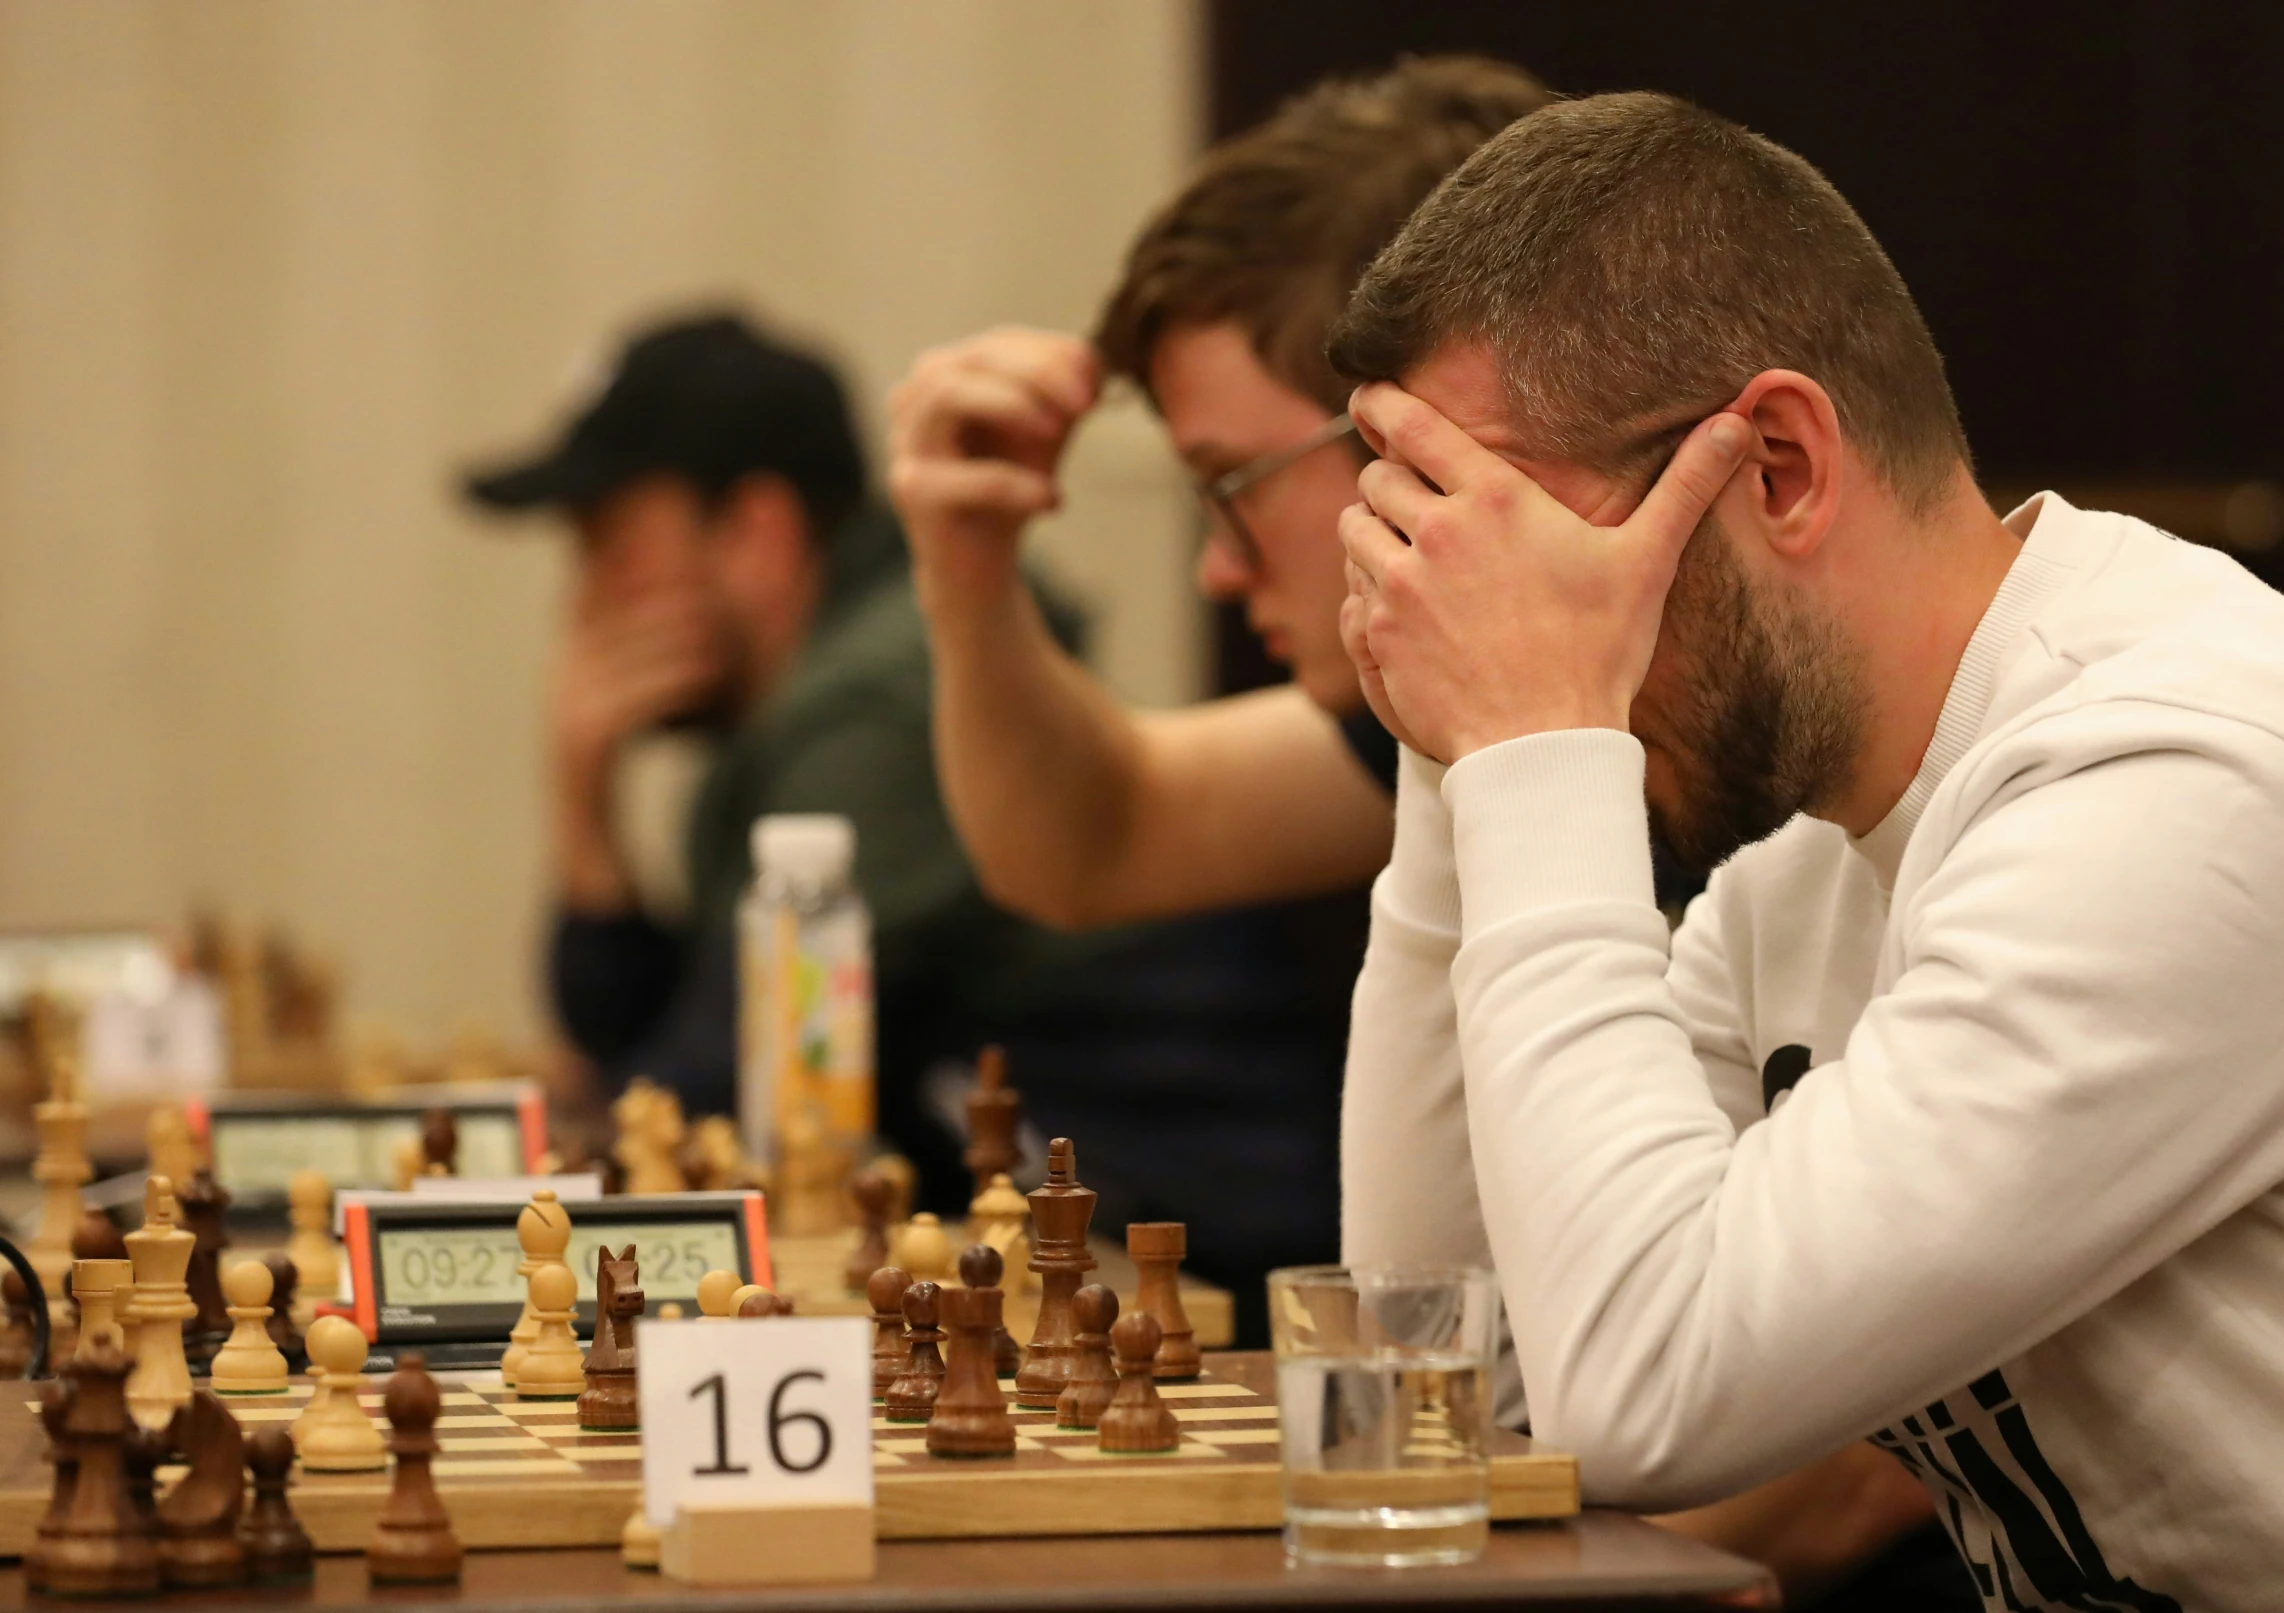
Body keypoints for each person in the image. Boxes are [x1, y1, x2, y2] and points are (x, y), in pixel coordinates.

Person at [894, 57, 1956, 1610]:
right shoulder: (1504, 746)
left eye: (1233, 486)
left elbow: (1855, 1409)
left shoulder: (1767, 711)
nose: (1213, 571)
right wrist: (968, 579)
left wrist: (1523, 1552)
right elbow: (1091, 842)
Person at [1333, 90, 2284, 1611]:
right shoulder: (1801, 880)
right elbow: (1454, 1383)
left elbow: (1649, 1389)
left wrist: (1526, 734)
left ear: (1776, 462)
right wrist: (1450, 753)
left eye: (1513, 546)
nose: (1470, 613)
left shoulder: (2185, 782)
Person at [463, 312, 1346, 1329]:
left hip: (1208, 1274)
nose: (586, 602)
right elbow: (662, 1053)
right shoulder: (809, 710)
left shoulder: (882, 708)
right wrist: (581, 787)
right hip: (1096, 1261)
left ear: (753, 531)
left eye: (610, 546)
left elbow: (704, 1095)